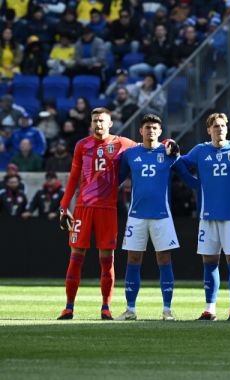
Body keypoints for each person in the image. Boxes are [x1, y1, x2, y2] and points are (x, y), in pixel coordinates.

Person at [56, 108, 141, 320]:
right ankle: (69, 307)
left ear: (110, 123)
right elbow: (74, 178)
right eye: (95, 121)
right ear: (91, 123)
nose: (99, 124)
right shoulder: (82, 145)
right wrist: (63, 206)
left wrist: (167, 143)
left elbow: (148, 145)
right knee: (75, 258)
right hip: (83, 208)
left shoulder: (122, 143)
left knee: (107, 260)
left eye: (102, 121)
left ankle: (105, 307)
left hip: (107, 209)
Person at [115, 114, 197, 321]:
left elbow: (187, 177)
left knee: (164, 259)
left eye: (154, 128)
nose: (151, 130)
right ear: (140, 131)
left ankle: (167, 309)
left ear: (160, 132)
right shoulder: (130, 154)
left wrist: (208, 187)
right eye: (147, 127)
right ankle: (130, 309)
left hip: (162, 215)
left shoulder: (169, 153)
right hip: (136, 215)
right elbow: (116, 180)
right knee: (133, 259)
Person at [177, 113, 230, 321]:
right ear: (208, 130)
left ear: (227, 128)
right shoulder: (200, 150)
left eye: (222, 125)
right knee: (209, 260)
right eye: (215, 126)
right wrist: (194, 184)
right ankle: (210, 308)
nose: (219, 129)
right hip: (207, 215)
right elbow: (179, 164)